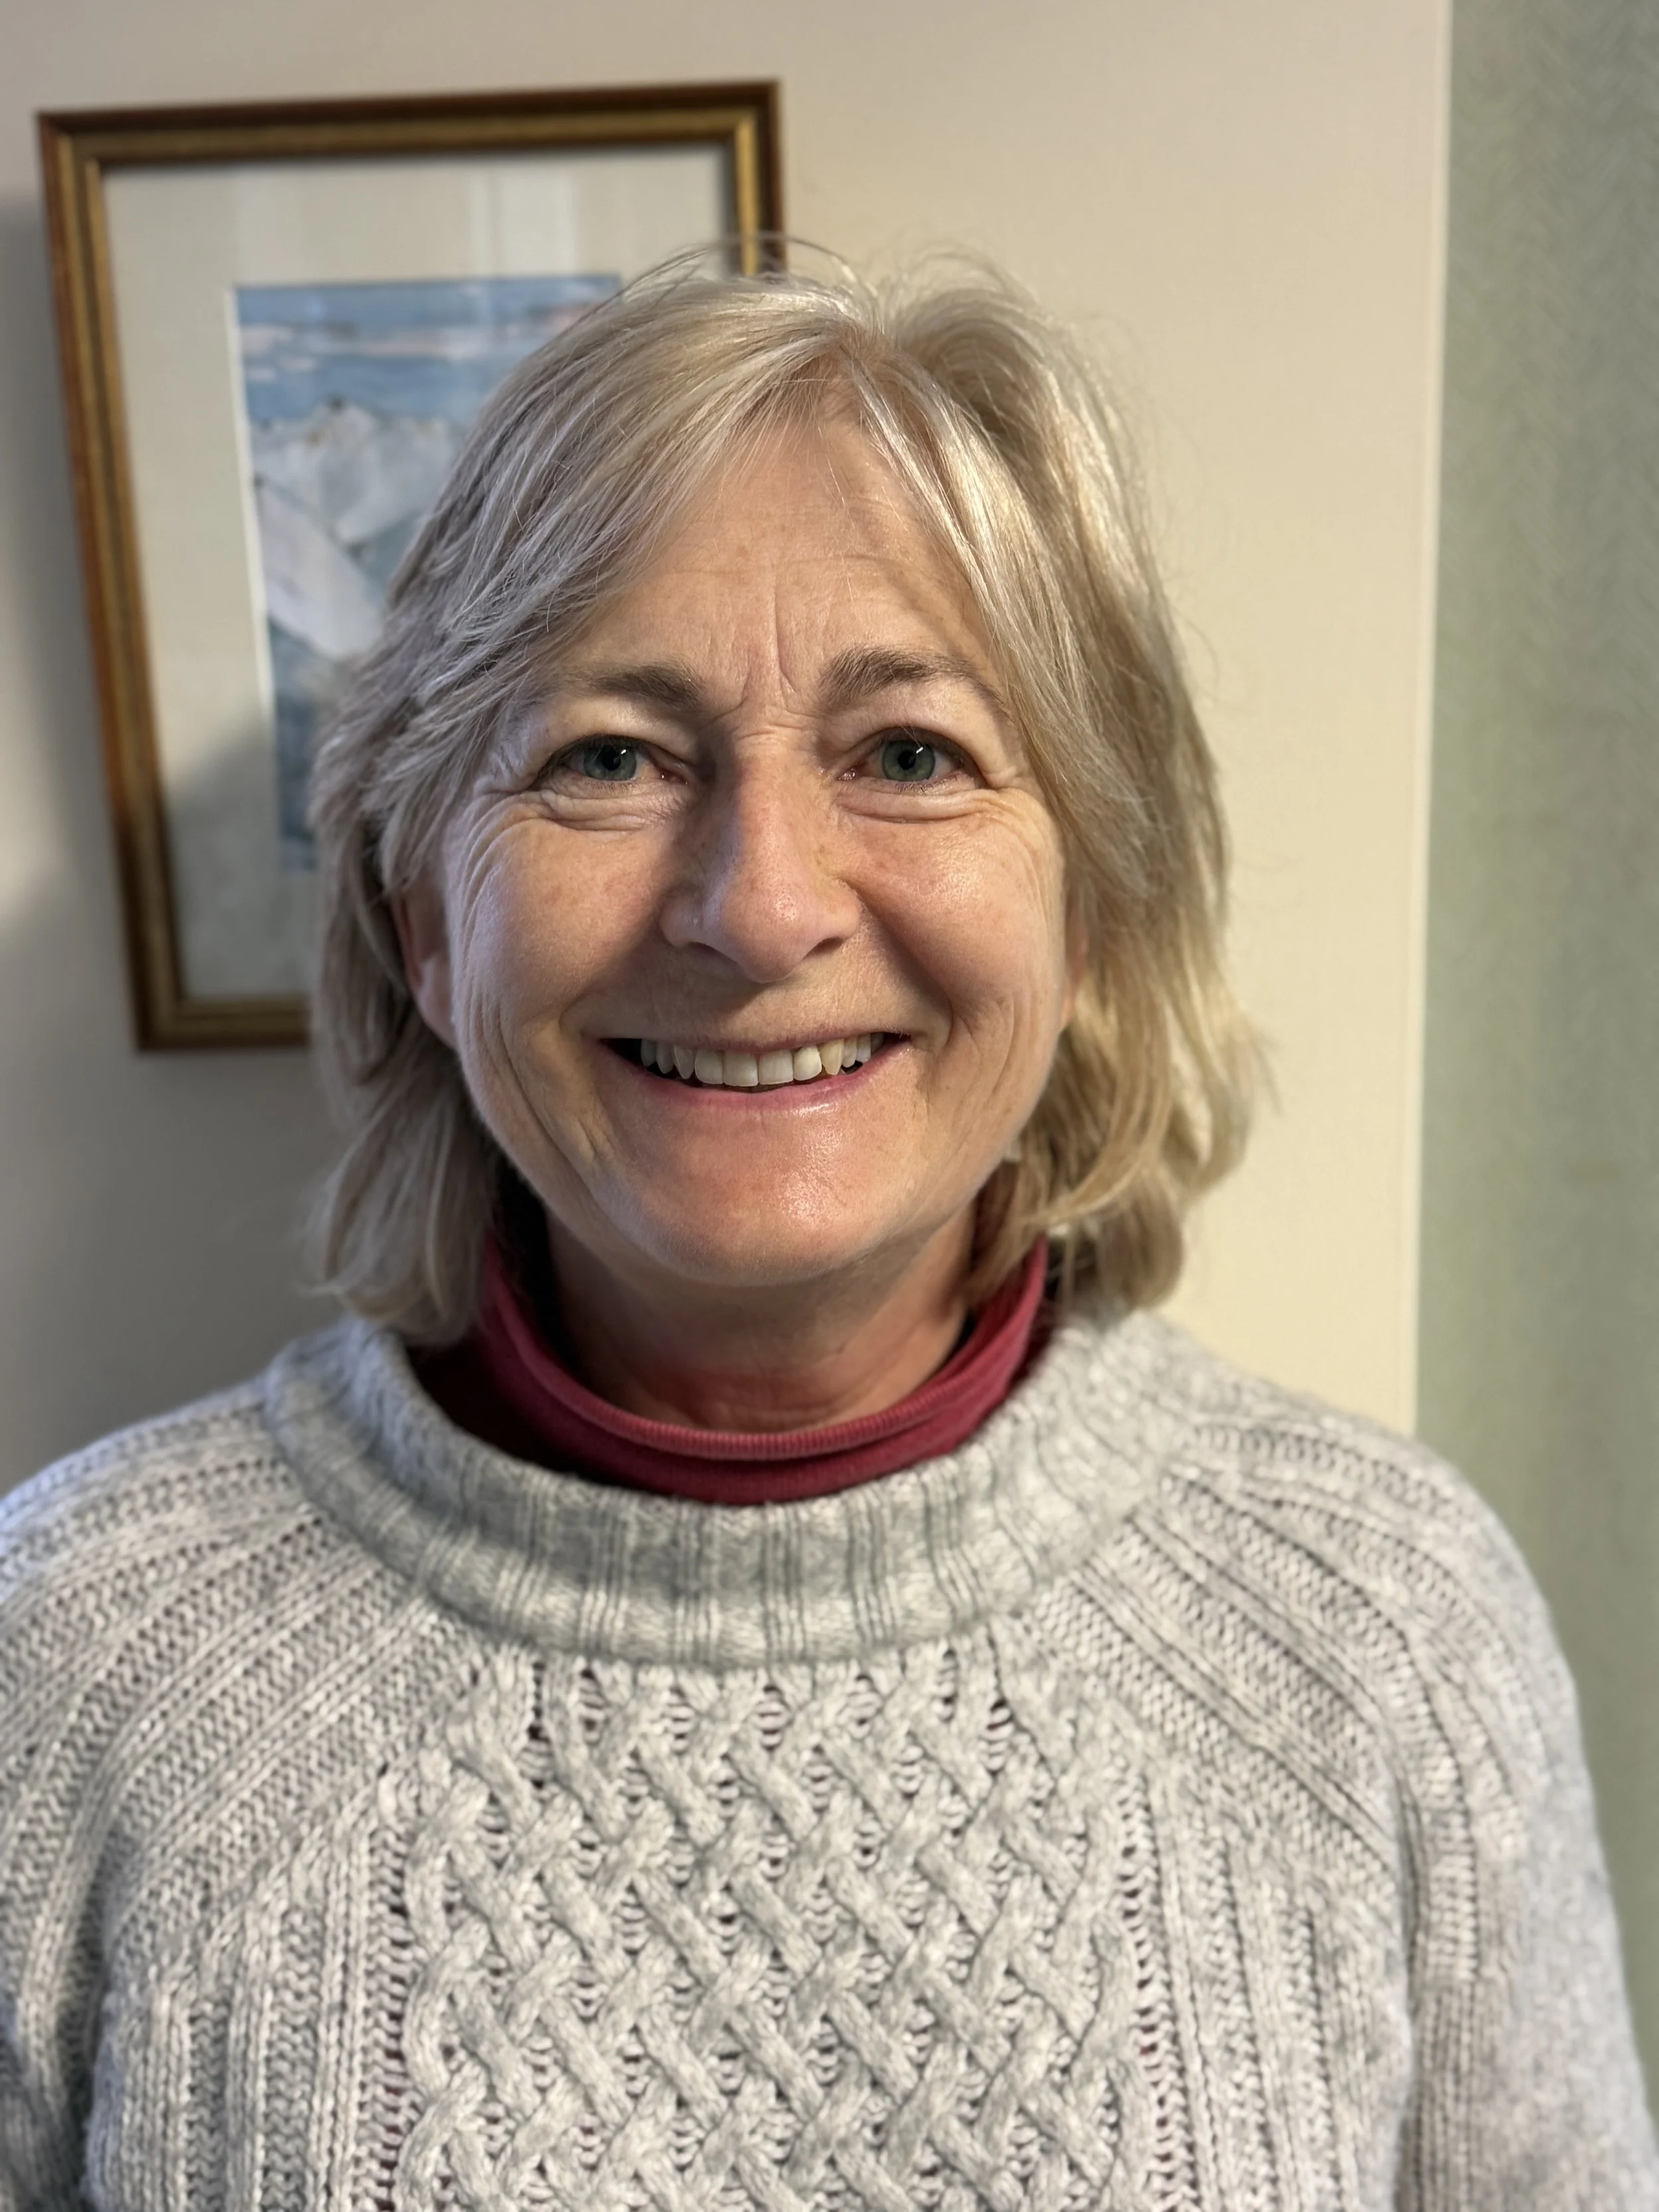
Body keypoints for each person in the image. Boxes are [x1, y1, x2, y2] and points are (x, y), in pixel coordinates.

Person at [2, 258, 1655, 2211]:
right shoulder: (72, 1652)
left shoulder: (1383, 1632)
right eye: (609, 755)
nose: (761, 904)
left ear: (1091, 913)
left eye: (909, 754)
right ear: (427, 926)